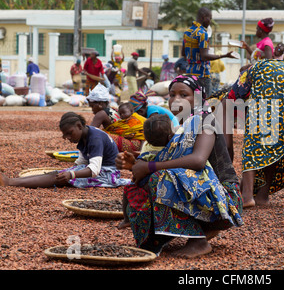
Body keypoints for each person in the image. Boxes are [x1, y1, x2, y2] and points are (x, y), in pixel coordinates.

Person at [115, 75, 243, 258]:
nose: (176, 100)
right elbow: (168, 157)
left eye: (184, 95)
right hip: (203, 191)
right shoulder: (183, 125)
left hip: (224, 198)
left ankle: (198, 241)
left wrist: (150, 166)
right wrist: (134, 164)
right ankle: (170, 234)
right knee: (148, 178)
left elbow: (198, 160)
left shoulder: (206, 121)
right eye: (172, 95)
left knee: (160, 177)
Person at [0, 112, 131, 189]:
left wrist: (71, 174)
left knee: (60, 178)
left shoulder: (95, 137)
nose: (68, 138)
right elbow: (82, 161)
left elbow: (94, 170)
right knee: (57, 174)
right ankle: (13, 181)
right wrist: (68, 171)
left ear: (79, 126)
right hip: (101, 171)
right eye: (65, 135)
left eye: (70, 133)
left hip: (108, 174)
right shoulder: (85, 136)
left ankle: (11, 182)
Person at [238, 59, 284, 208]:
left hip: (263, 105)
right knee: (273, 148)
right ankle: (263, 195)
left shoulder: (251, 71)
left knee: (251, 148)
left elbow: (239, 93)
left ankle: (247, 196)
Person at [118, 113, 174, 230]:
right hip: (159, 183)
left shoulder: (147, 147)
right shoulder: (172, 148)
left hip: (142, 182)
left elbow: (139, 164)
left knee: (127, 192)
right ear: (170, 137)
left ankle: (126, 219)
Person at [182, 7, 234, 98]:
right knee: (206, 102)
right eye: (210, 18)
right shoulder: (202, 33)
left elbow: (183, 53)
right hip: (202, 74)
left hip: (190, 73)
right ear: (204, 17)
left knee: (195, 102)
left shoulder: (187, 32)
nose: (210, 21)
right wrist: (224, 55)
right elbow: (204, 56)